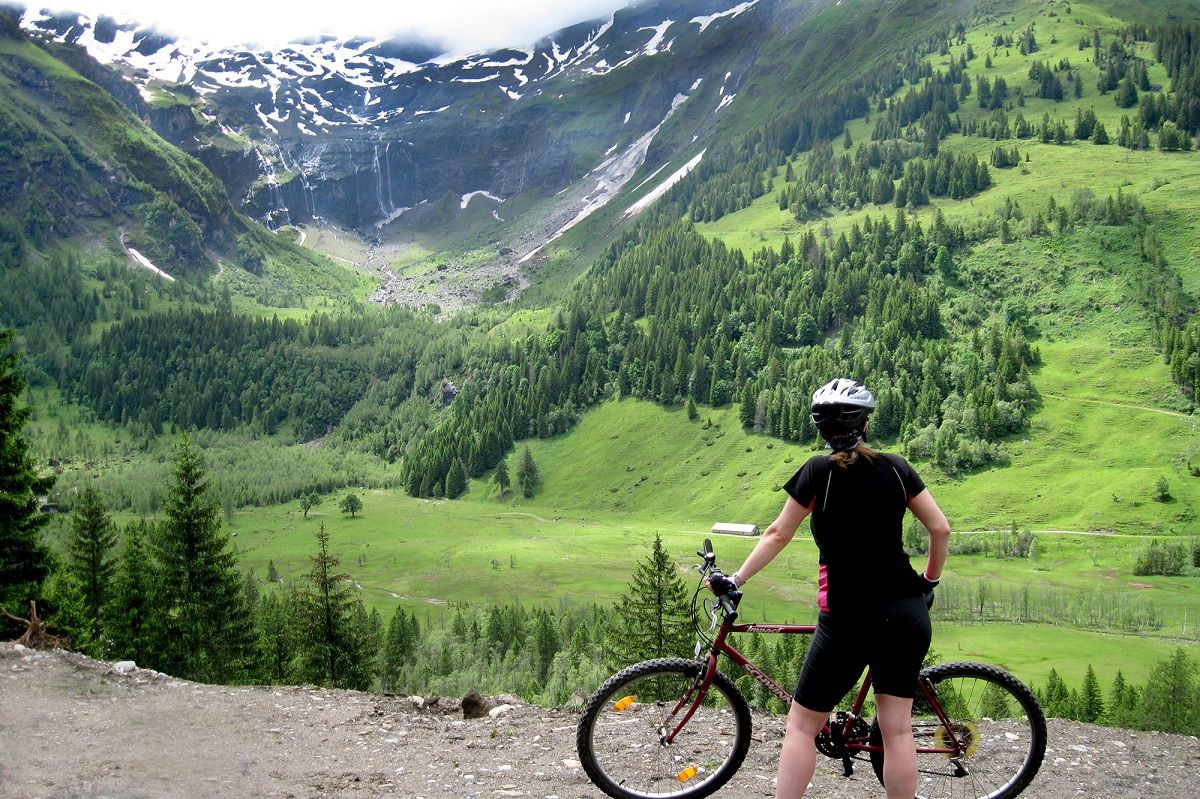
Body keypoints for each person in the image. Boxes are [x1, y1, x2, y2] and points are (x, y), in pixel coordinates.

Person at [717, 377, 951, 799]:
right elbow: (940, 529)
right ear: (864, 425)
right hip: (905, 610)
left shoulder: (817, 472)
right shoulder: (897, 468)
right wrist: (928, 582)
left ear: (822, 430)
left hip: (846, 617)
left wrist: (736, 580)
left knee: (802, 727)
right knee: (897, 731)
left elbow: (777, 534)